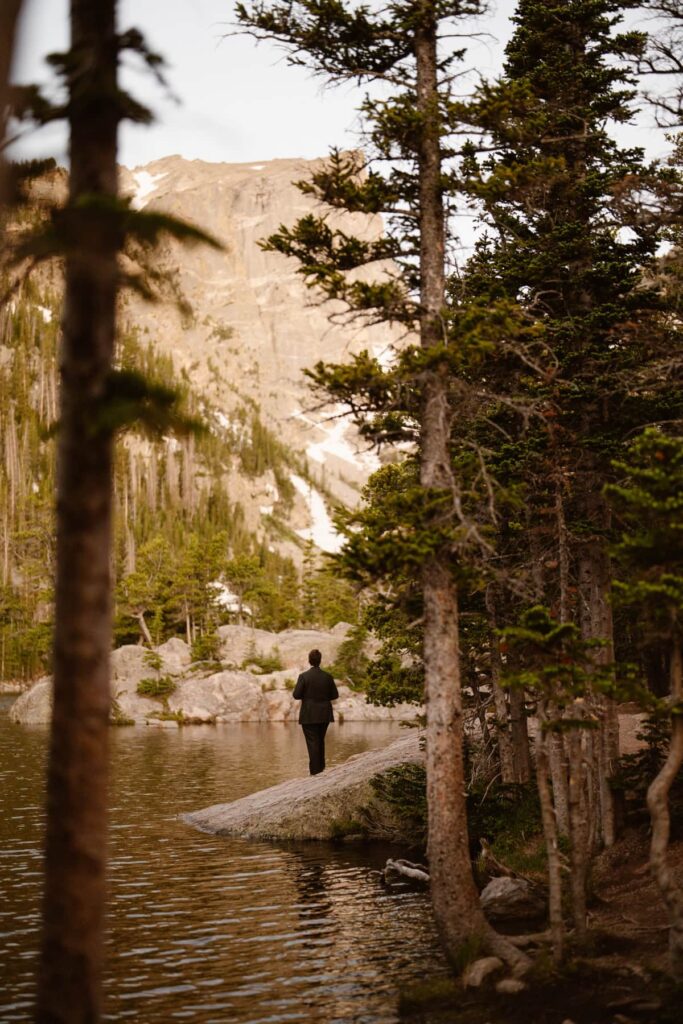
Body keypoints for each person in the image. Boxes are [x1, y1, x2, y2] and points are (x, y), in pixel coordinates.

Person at [292, 649, 339, 775]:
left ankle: (315, 772)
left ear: (309, 661)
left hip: (309, 714)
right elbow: (335, 695)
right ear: (320, 660)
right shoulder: (327, 676)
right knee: (320, 740)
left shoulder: (304, 676)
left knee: (313, 742)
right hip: (324, 714)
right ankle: (321, 768)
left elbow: (296, 695)